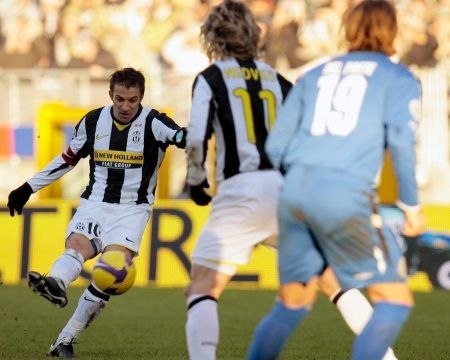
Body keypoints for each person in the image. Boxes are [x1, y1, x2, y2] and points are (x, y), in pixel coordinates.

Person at [184, 2, 397, 360]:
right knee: (336, 284)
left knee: (203, 289)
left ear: (212, 36)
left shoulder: (210, 77)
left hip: (241, 191)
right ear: (253, 34)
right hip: (287, 194)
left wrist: (196, 180)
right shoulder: (278, 80)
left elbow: (195, 138)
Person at [247, 1, 427, 360]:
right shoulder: (398, 77)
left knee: (292, 304)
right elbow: (402, 144)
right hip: (344, 195)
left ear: (347, 29)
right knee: (394, 301)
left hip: (294, 193)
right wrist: (411, 205)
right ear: (391, 31)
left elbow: (277, 145)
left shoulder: (316, 73)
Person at [7, 67, 186, 358]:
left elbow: (180, 136)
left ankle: (64, 340)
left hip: (133, 209)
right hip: (95, 203)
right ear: (110, 95)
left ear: (141, 97)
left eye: (132, 100)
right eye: (119, 99)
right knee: (77, 246)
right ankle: (57, 284)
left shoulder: (154, 122)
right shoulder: (93, 121)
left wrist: (187, 135)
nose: (126, 106)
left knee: (110, 271)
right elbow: (67, 159)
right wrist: (28, 187)